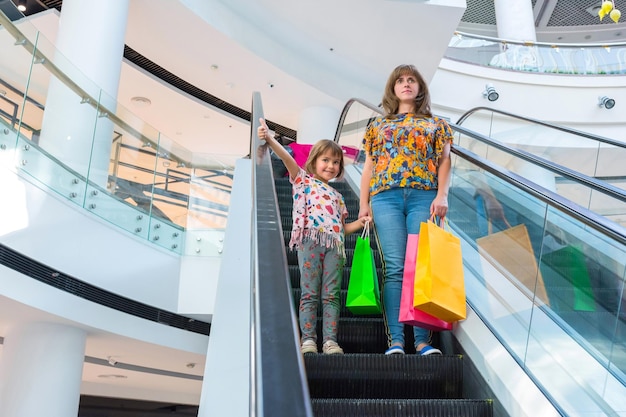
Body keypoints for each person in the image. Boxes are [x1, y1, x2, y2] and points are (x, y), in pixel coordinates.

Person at [358, 64, 453, 356]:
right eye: (400, 80)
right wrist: (363, 205)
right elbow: (369, 166)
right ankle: (396, 340)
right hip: (385, 198)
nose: (406, 84)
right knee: (396, 268)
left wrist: (442, 195)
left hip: (423, 197)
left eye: (412, 80)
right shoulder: (377, 125)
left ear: (420, 88)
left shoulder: (437, 124)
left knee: (420, 266)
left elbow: (446, 162)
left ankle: (422, 341)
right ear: (393, 88)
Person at [258, 118, 371, 355]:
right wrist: (269, 139)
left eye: (336, 162)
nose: (331, 165)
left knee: (331, 296)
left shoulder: (338, 196)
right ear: (314, 161)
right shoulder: (303, 181)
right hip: (310, 242)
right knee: (309, 293)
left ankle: (330, 341)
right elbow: (288, 159)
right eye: (326, 160)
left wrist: (359, 224)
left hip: (335, 247)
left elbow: (342, 228)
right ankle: (308, 339)